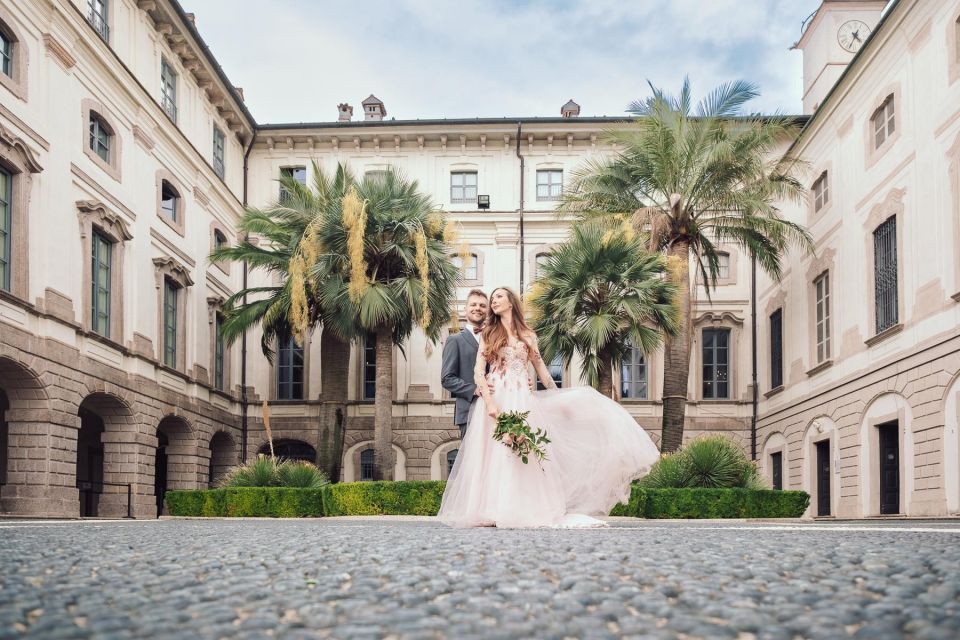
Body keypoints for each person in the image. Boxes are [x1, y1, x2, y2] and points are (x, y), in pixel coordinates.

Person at [438, 287, 660, 529]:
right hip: (497, 397)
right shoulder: (489, 333)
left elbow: (542, 369)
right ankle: (490, 508)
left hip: (522, 396)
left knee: (525, 453)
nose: (493, 302)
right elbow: (478, 372)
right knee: (494, 454)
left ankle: (520, 507)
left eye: (497, 297)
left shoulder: (529, 335)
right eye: (492, 299)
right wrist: (490, 404)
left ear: (511, 302)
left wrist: (558, 396)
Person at [440, 289, 488, 439]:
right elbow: (447, 378)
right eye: (473, 304)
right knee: (473, 461)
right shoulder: (455, 340)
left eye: (482, 305)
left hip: (499, 408)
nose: (478, 308)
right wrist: (475, 390)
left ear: (488, 310)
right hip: (469, 411)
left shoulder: (495, 339)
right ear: (465, 309)